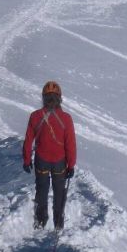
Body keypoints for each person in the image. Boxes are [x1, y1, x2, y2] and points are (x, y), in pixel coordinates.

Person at [22, 80, 77, 230]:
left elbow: (28, 140)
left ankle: (40, 221)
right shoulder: (66, 118)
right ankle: (58, 223)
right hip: (60, 162)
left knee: (42, 191)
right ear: (60, 98)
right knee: (59, 193)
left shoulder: (35, 116)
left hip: (41, 160)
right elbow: (70, 144)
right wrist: (71, 165)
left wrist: (27, 160)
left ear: (44, 98)